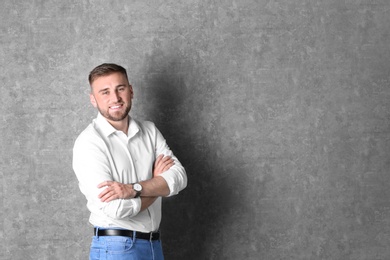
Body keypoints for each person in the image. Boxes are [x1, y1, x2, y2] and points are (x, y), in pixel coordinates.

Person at [72, 63, 187, 259]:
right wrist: (157, 185)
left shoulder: (150, 131)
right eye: (105, 92)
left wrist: (134, 189)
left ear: (131, 91)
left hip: (153, 245)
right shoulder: (89, 143)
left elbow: (179, 178)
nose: (115, 98)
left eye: (120, 88)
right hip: (116, 247)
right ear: (93, 99)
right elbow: (114, 209)